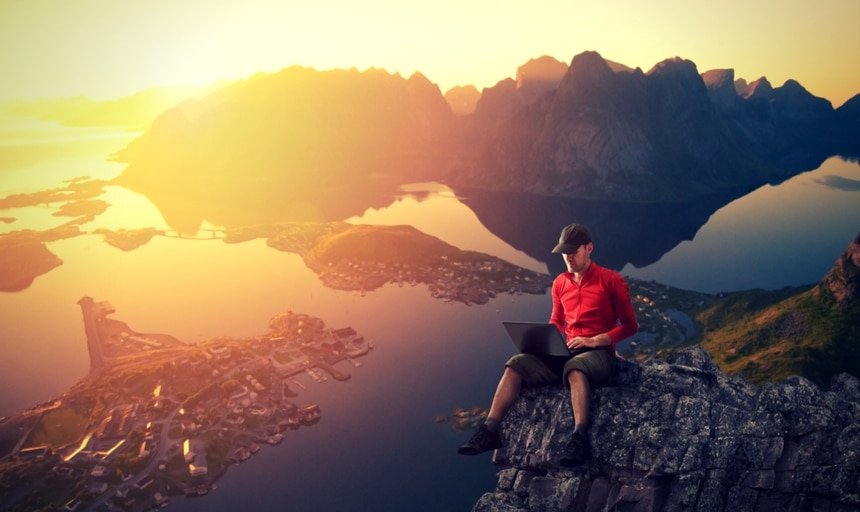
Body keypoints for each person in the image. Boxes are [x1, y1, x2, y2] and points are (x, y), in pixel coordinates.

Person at [458, 223, 638, 466]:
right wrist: (543, 341)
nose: (569, 257)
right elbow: (557, 321)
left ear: (589, 248)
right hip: (568, 351)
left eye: (574, 251)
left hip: (599, 354)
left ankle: (580, 438)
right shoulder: (560, 283)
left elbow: (630, 326)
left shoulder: (611, 280)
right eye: (565, 252)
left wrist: (595, 340)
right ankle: (490, 430)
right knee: (516, 363)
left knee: (576, 368)